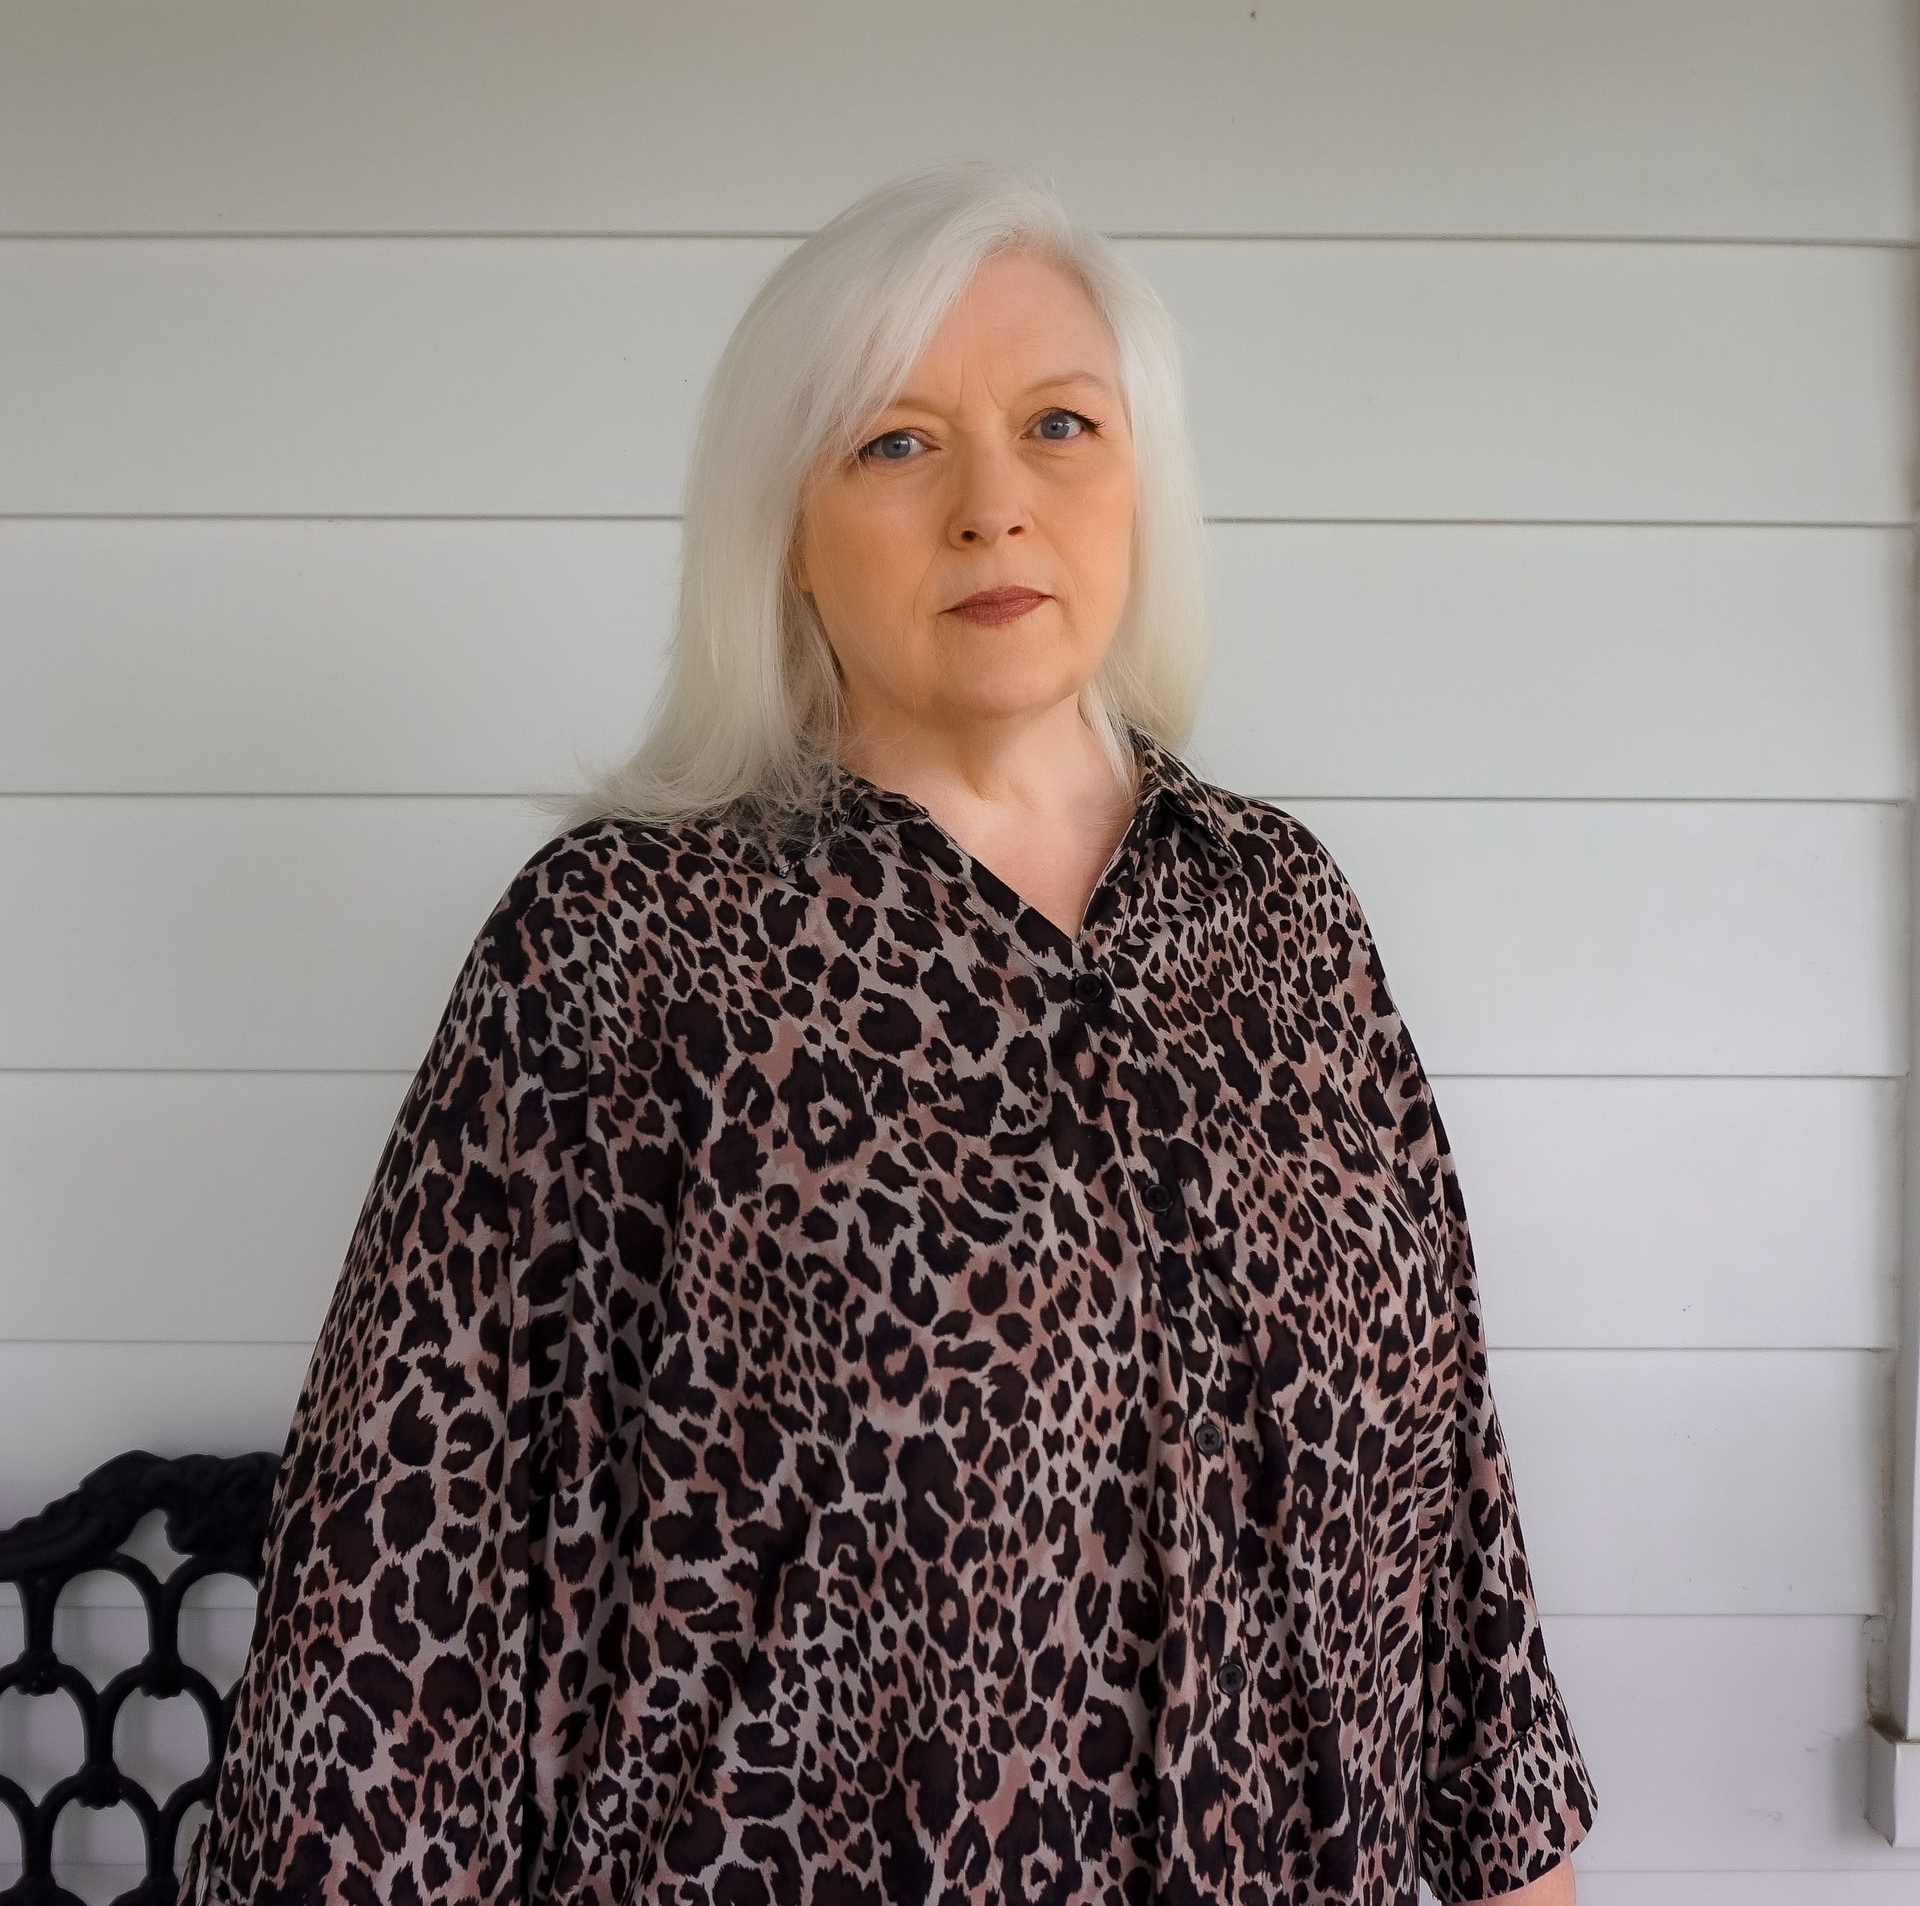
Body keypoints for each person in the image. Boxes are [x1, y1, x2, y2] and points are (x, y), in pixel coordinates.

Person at [178, 159, 1598, 1906]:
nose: (995, 507)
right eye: (898, 443)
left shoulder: (1283, 914)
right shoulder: (625, 954)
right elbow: (392, 1606)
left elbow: (1457, 1540)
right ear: (788, 528)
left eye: (1060, 425)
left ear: (1141, 482)